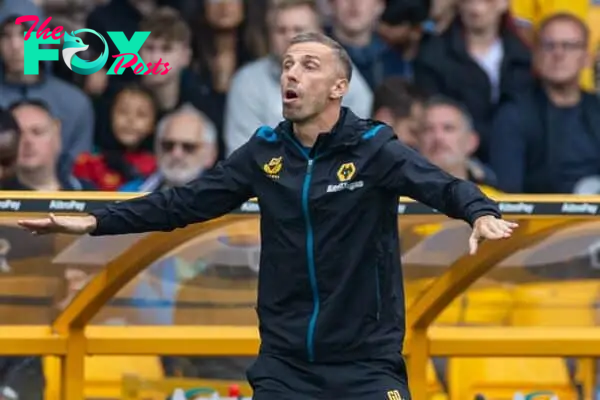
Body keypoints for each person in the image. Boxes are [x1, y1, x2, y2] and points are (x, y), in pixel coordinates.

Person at [18, 32, 516, 400]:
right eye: (287, 64)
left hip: (367, 365)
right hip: (285, 366)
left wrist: (479, 211)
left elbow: (442, 184)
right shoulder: (263, 151)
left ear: (339, 86)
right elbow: (182, 204)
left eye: (309, 65)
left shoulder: (374, 148)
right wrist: (95, 220)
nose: (292, 74)